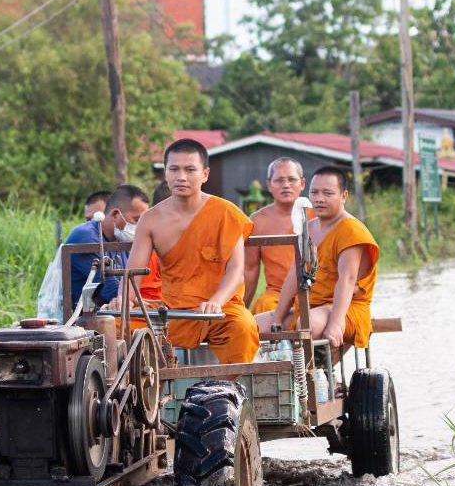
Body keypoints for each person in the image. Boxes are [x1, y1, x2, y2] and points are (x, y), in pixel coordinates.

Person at [123, 139, 259, 364]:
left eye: (190, 170)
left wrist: (216, 301)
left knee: (244, 328)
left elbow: (236, 271)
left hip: (220, 309)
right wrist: (123, 299)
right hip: (173, 312)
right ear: (165, 173)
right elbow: (134, 272)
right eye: (174, 169)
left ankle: (223, 391)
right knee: (114, 328)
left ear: (205, 174)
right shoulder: (151, 219)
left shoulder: (226, 213)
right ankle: (143, 394)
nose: (181, 177)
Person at [256, 166, 379, 351]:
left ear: (343, 196)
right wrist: (277, 319)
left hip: (346, 309)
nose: (319, 199)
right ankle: (265, 376)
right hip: (308, 306)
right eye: (314, 192)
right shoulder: (308, 228)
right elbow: (294, 275)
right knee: (250, 325)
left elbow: (347, 280)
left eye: (328, 193)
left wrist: (336, 324)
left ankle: (307, 376)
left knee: (308, 323)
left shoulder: (352, 230)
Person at [64, 185, 149, 308]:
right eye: (137, 220)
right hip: (79, 319)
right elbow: (111, 289)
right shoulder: (86, 237)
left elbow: (128, 285)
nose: (140, 227)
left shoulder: (121, 239)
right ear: (115, 214)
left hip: (106, 313)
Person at [244, 157, 309, 314]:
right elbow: (250, 269)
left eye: (292, 180)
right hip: (277, 294)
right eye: (279, 180)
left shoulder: (318, 216)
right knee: (264, 306)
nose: (286, 185)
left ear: (302, 184)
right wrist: (241, 308)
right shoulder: (257, 221)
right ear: (269, 185)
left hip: (315, 292)